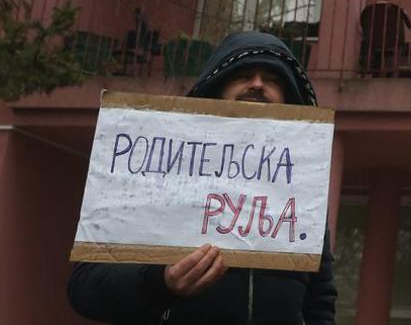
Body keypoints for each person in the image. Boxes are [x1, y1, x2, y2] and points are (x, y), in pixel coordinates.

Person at [67, 31, 338, 325]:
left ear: (287, 99)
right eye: (244, 74)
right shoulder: (156, 172)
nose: (258, 84)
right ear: (216, 88)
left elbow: (319, 301)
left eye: (272, 79)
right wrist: (161, 283)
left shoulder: (300, 191)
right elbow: (86, 287)